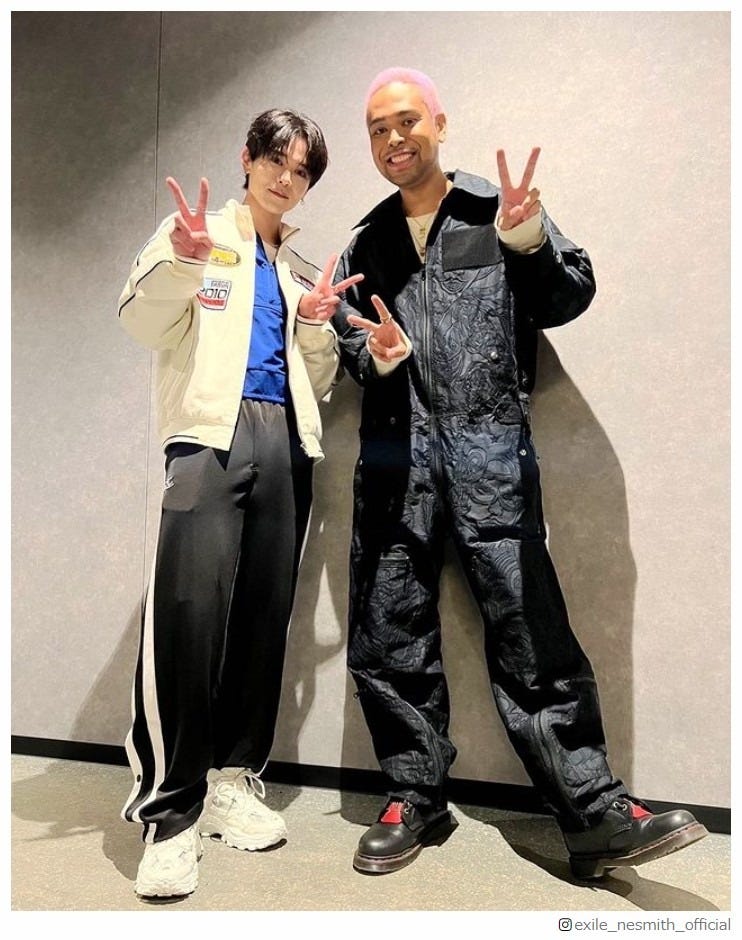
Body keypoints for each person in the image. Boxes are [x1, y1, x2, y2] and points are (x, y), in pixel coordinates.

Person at [331, 68, 708, 880]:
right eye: (377, 129)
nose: (393, 139)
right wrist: (376, 354)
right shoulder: (365, 242)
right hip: (395, 464)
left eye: (406, 121)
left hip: (490, 456)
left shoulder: (494, 211)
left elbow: (568, 296)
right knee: (390, 635)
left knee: (531, 635)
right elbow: (350, 343)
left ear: (439, 124)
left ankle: (593, 812)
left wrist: (528, 239)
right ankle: (413, 798)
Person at [118, 108, 361, 899]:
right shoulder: (196, 234)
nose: (287, 180)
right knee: (187, 615)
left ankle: (230, 778)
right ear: (248, 159)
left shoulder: (297, 268)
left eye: (302, 171)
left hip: (285, 440)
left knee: (262, 618)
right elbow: (142, 321)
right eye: (276, 161)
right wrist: (183, 263)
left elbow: (317, 380)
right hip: (207, 438)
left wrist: (316, 327)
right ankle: (170, 814)